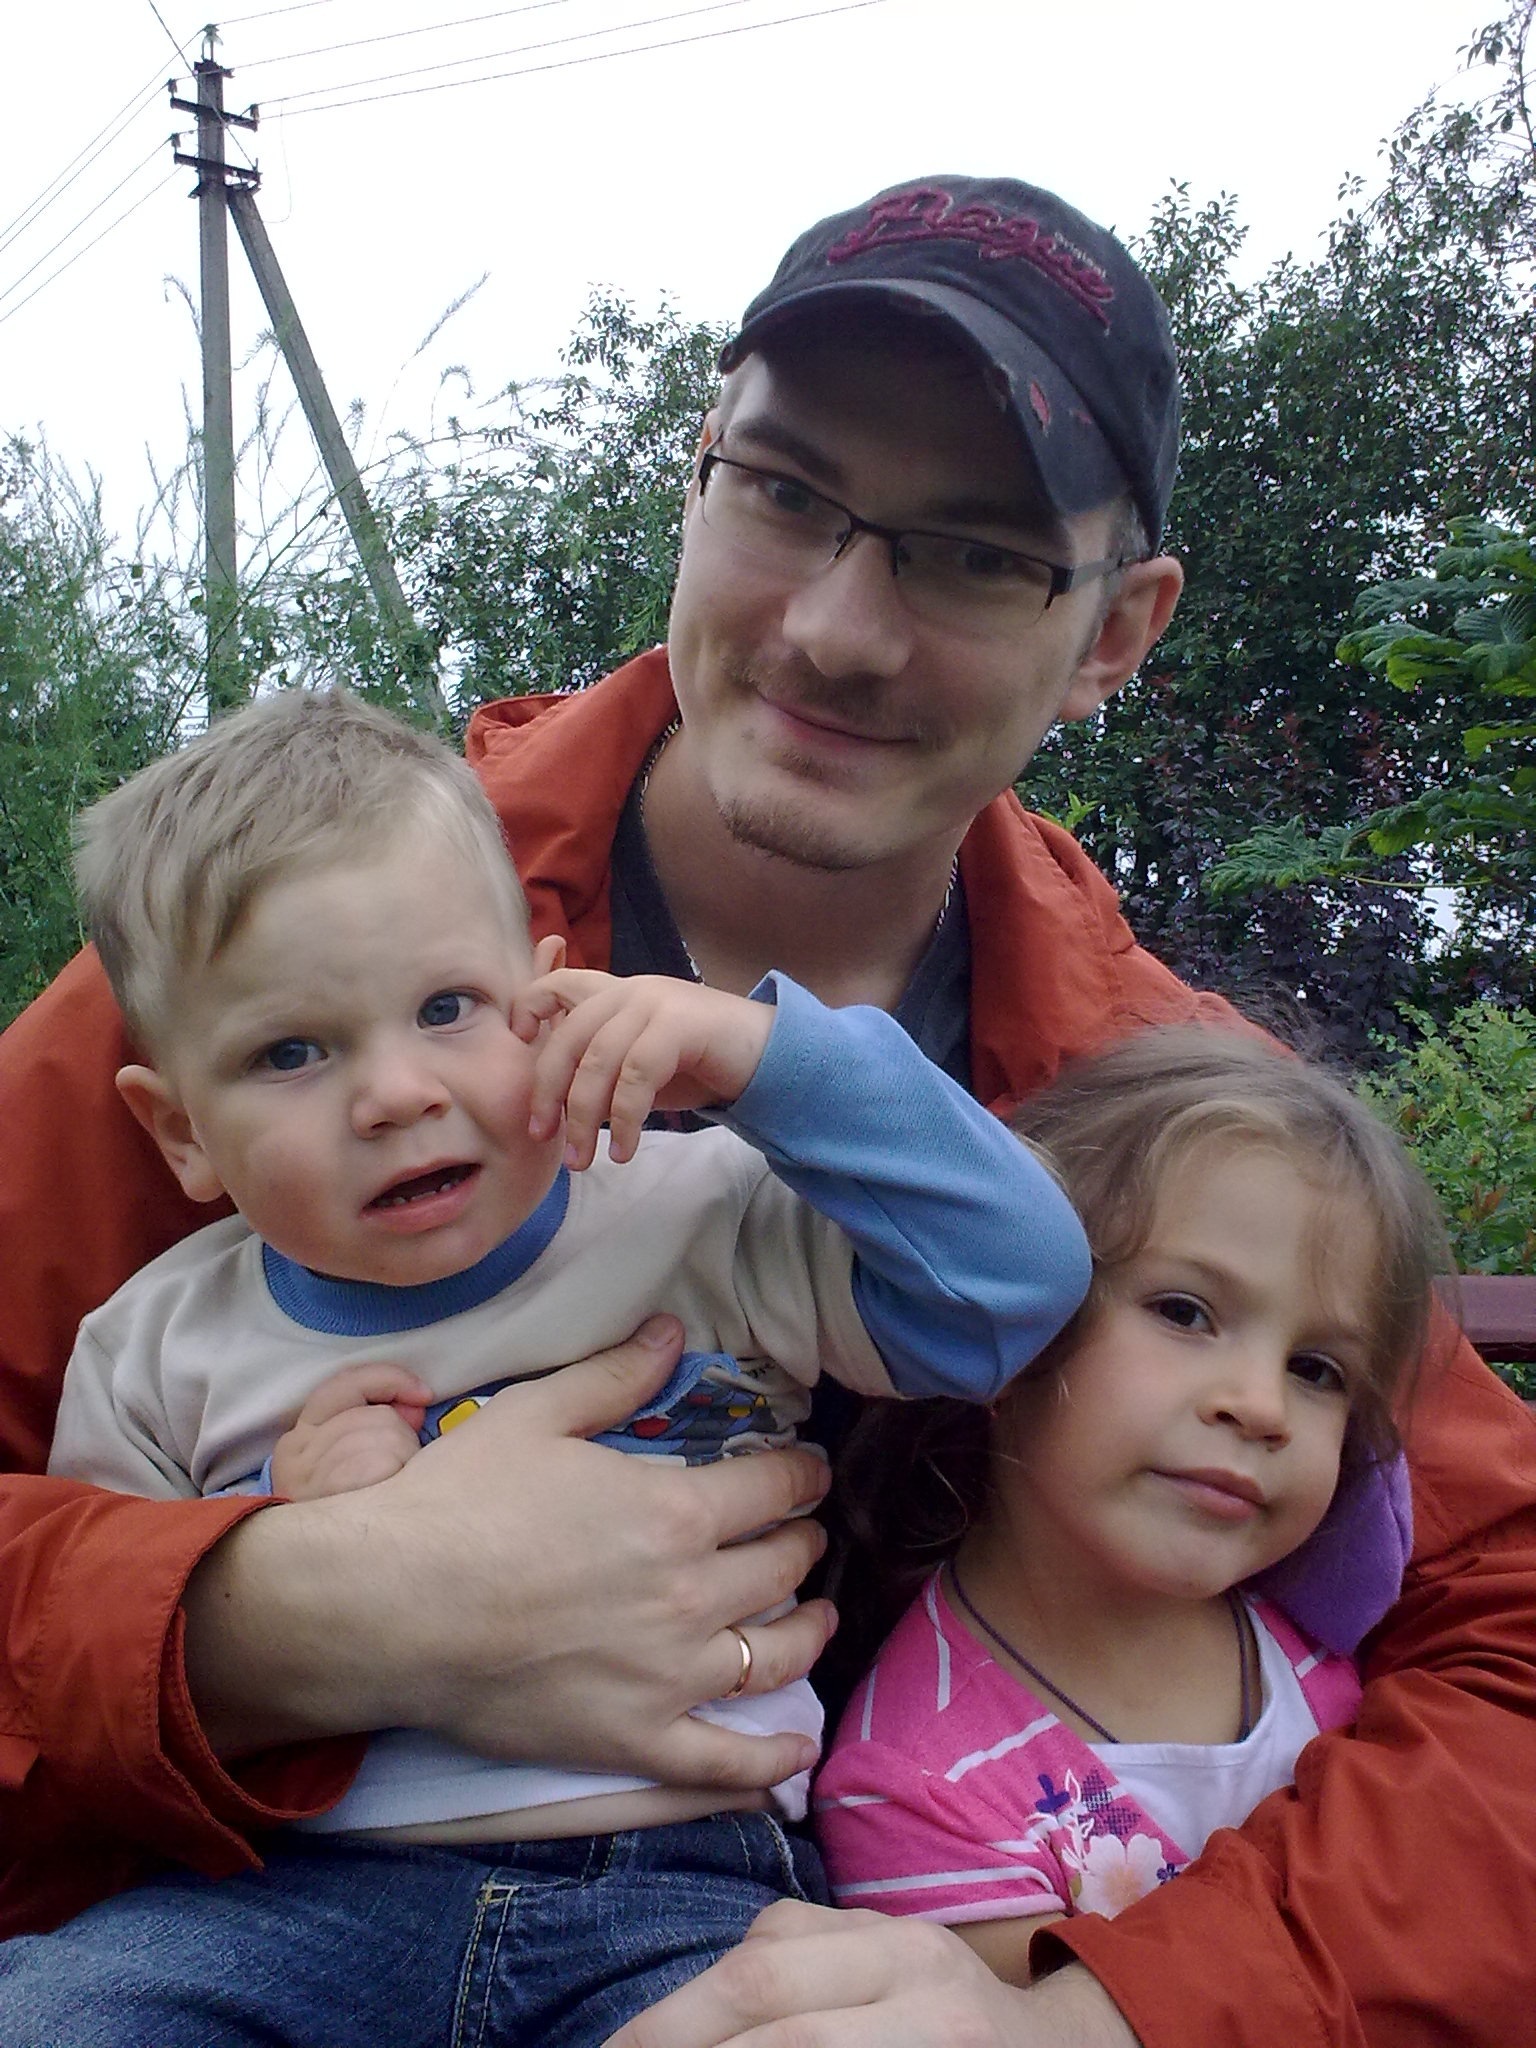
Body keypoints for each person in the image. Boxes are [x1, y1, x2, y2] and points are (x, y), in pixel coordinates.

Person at [0, 172, 1532, 2047]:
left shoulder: (1185, 1123)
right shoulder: (272, 958)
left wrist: (1101, 2017)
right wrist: (265, 1617)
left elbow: (1510, 1629)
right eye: (788, 493)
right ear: (696, 474)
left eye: (975, 554)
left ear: (1118, 634)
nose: (837, 627)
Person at [815, 1028, 1446, 1975]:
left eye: (1316, 1369)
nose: (1262, 1406)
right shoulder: (917, 1788)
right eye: (1185, 1312)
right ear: (1007, 1320)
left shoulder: (1327, 1655)